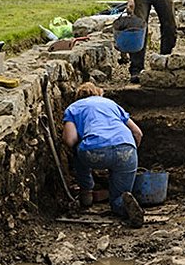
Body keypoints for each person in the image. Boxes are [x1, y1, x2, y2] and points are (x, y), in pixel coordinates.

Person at [62, 82, 145, 228]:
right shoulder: (111, 104)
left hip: (94, 151)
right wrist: (131, 154)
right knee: (118, 197)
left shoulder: (74, 108)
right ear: (99, 93)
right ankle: (123, 204)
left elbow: (70, 140)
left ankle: (86, 193)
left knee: (77, 150)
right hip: (126, 148)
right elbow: (138, 133)